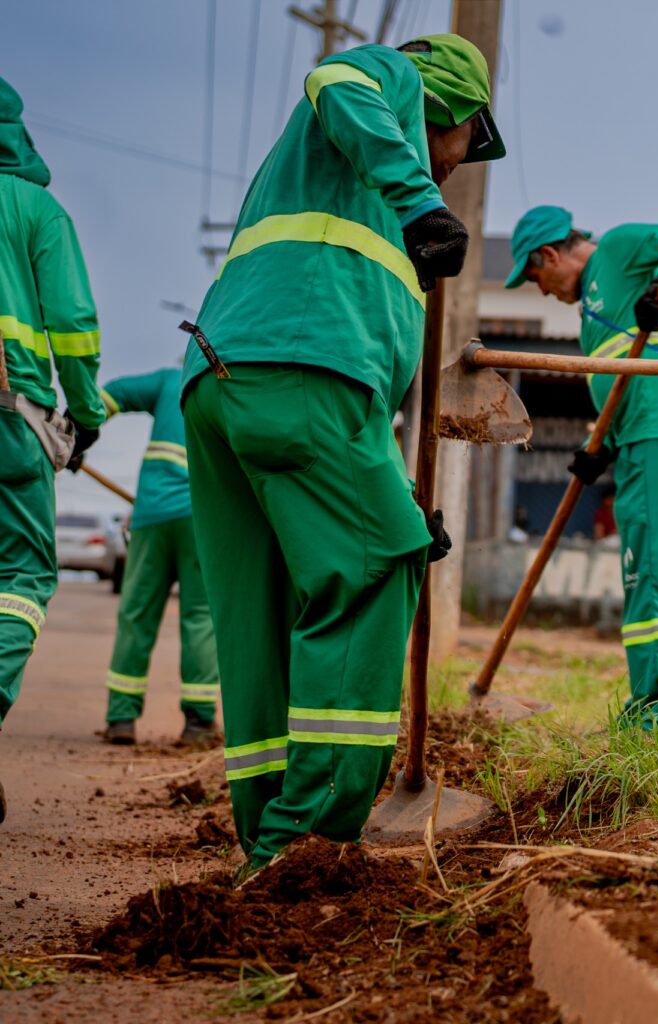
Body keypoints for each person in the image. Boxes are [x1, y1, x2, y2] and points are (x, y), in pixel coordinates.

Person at [180, 34, 503, 870]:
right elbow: (340, 72)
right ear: (450, 115)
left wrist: (393, 489)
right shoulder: (389, 87)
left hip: (224, 381)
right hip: (300, 369)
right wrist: (419, 203)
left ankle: (266, 838)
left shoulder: (323, 173)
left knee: (262, 613)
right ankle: (311, 838)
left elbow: (349, 415)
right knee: (375, 572)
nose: (456, 170)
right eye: (467, 146)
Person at [507, 206, 658, 734]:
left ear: (551, 254)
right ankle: (652, 702)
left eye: (535, 277)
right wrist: (594, 444)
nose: (541, 290)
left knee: (654, 569)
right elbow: (616, 385)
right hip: (641, 432)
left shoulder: (618, 247)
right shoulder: (592, 311)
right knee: (644, 566)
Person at [0, 76, 104, 824]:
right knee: (23, 577)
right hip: (9, 419)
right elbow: (72, 326)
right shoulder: (35, 210)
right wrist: (87, 413)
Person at [98, 366, 219, 748]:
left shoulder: (170, 380)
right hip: (202, 519)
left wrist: (75, 431)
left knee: (136, 614)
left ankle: (121, 718)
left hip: (152, 516)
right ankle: (198, 723)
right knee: (200, 618)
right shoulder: (229, 385)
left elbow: (113, 392)